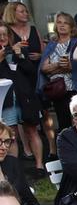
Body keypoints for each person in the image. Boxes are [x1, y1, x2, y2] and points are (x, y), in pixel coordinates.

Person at [0, 23, 44, 177]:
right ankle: (14, 169)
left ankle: (39, 167)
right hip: (6, 100)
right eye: (0, 35)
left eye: (5, 34)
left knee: (31, 130)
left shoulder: (18, 49)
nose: (2, 38)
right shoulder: (3, 53)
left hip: (24, 97)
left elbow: (31, 71)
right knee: (10, 134)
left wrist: (20, 55)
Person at [37, 12, 77, 132]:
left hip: (75, 87)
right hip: (58, 89)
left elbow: (76, 66)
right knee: (63, 122)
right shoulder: (51, 45)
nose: (62, 25)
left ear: (71, 26)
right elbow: (44, 68)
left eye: (66, 23)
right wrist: (59, 65)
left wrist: (57, 67)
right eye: (59, 22)